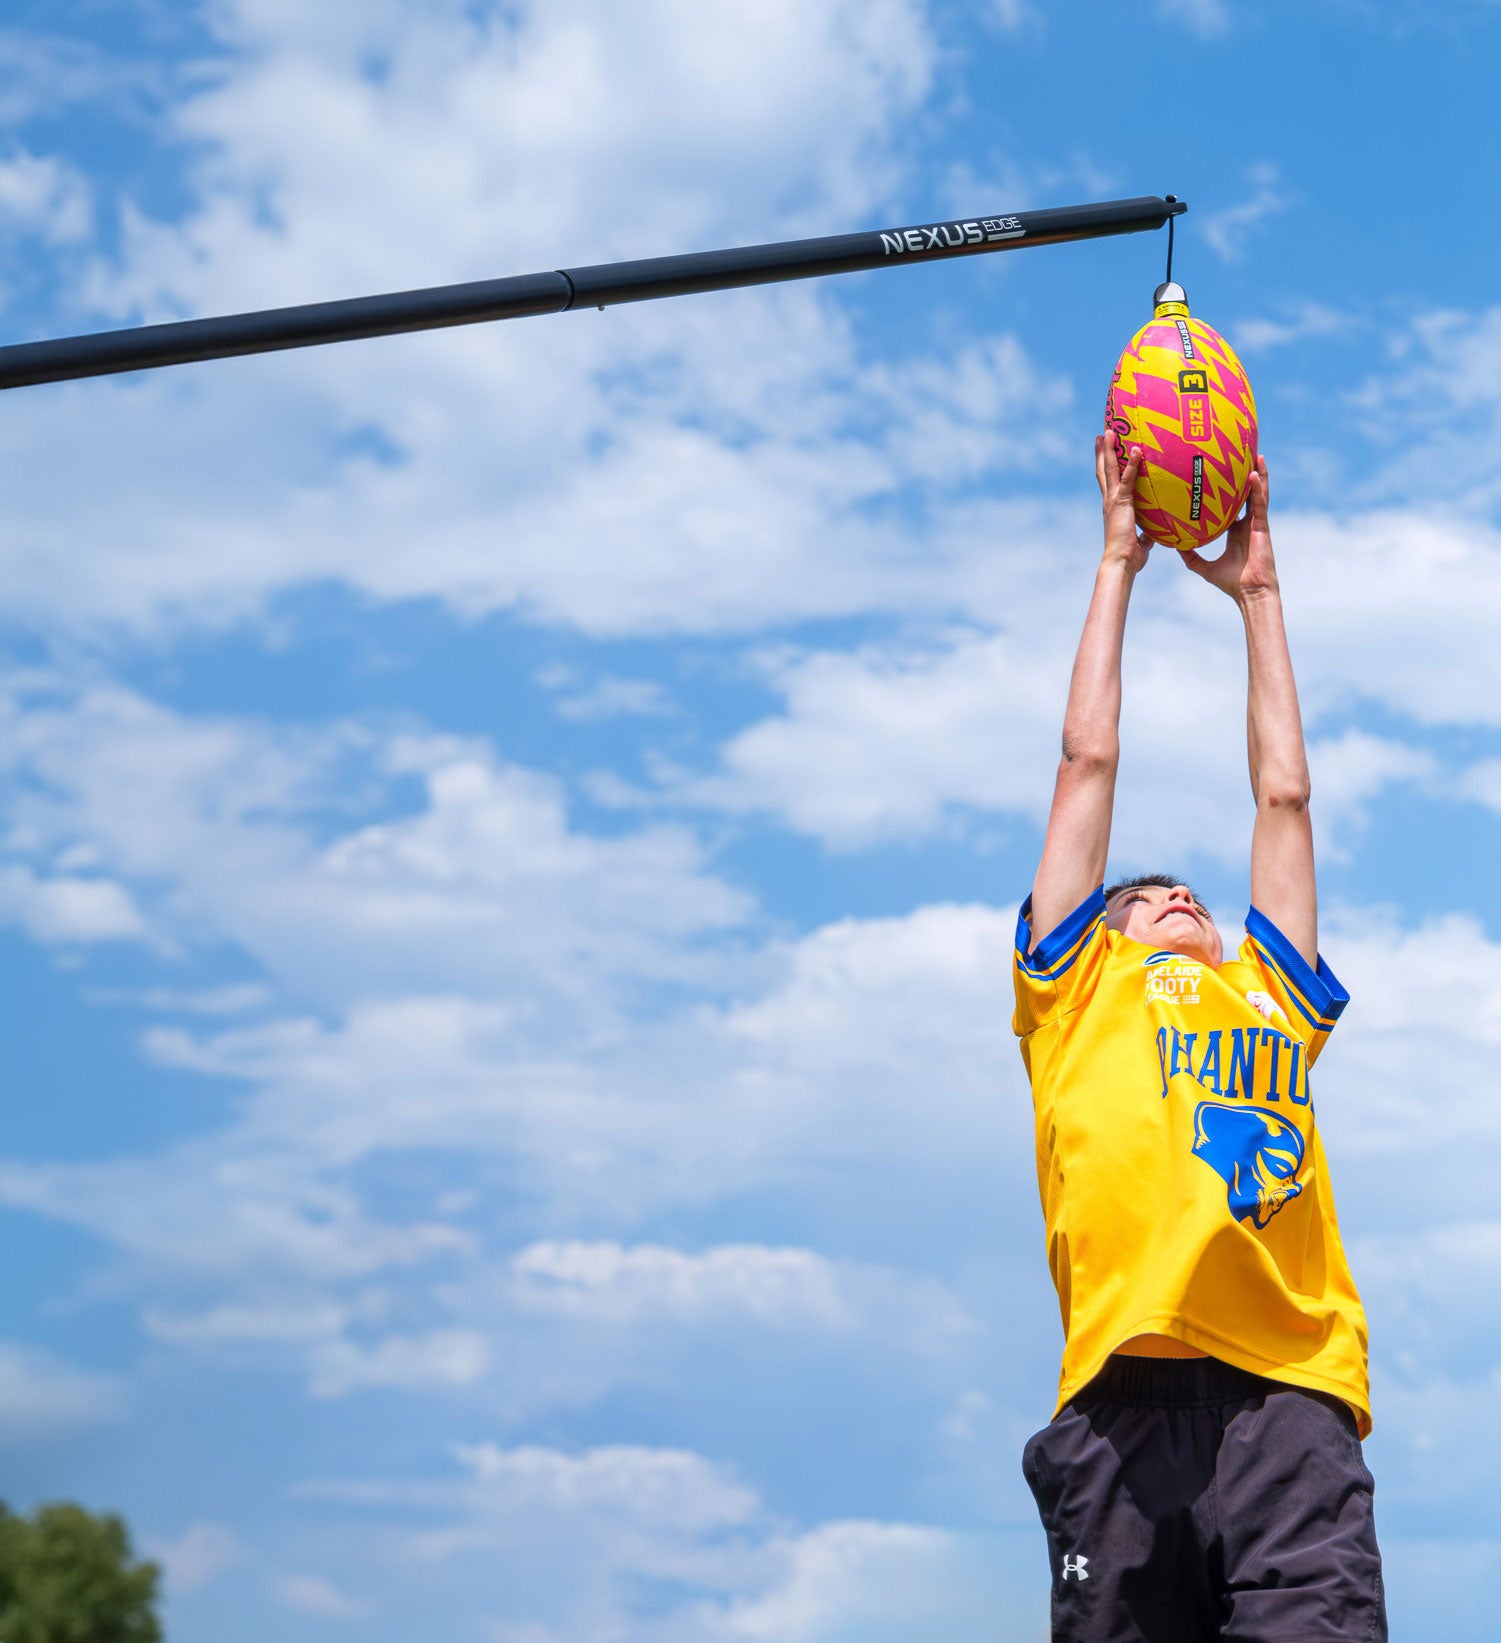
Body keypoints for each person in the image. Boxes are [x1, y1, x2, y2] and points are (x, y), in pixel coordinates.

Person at [1011, 432, 1386, 1641]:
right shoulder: (1075, 988)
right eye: (1146, 891)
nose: (1176, 895)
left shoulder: (1264, 996)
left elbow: (1284, 795)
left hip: (1289, 1400)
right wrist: (1117, 560)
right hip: (1121, 1400)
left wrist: (1260, 593)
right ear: (1105, 929)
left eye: (1193, 893)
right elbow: (1086, 761)